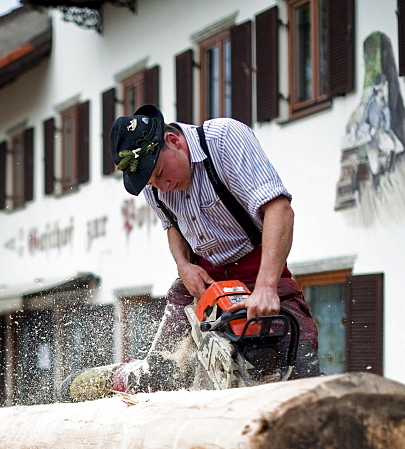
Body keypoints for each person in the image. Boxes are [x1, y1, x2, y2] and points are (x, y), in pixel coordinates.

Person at [63, 105, 319, 401]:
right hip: (202, 279)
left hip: (258, 271)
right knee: (160, 377)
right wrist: (183, 265)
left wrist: (265, 286)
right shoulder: (153, 182)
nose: (162, 186)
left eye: (160, 173)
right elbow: (172, 225)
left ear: (173, 141)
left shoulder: (223, 139)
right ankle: (118, 377)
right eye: (152, 182)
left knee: (298, 371)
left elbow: (279, 210)